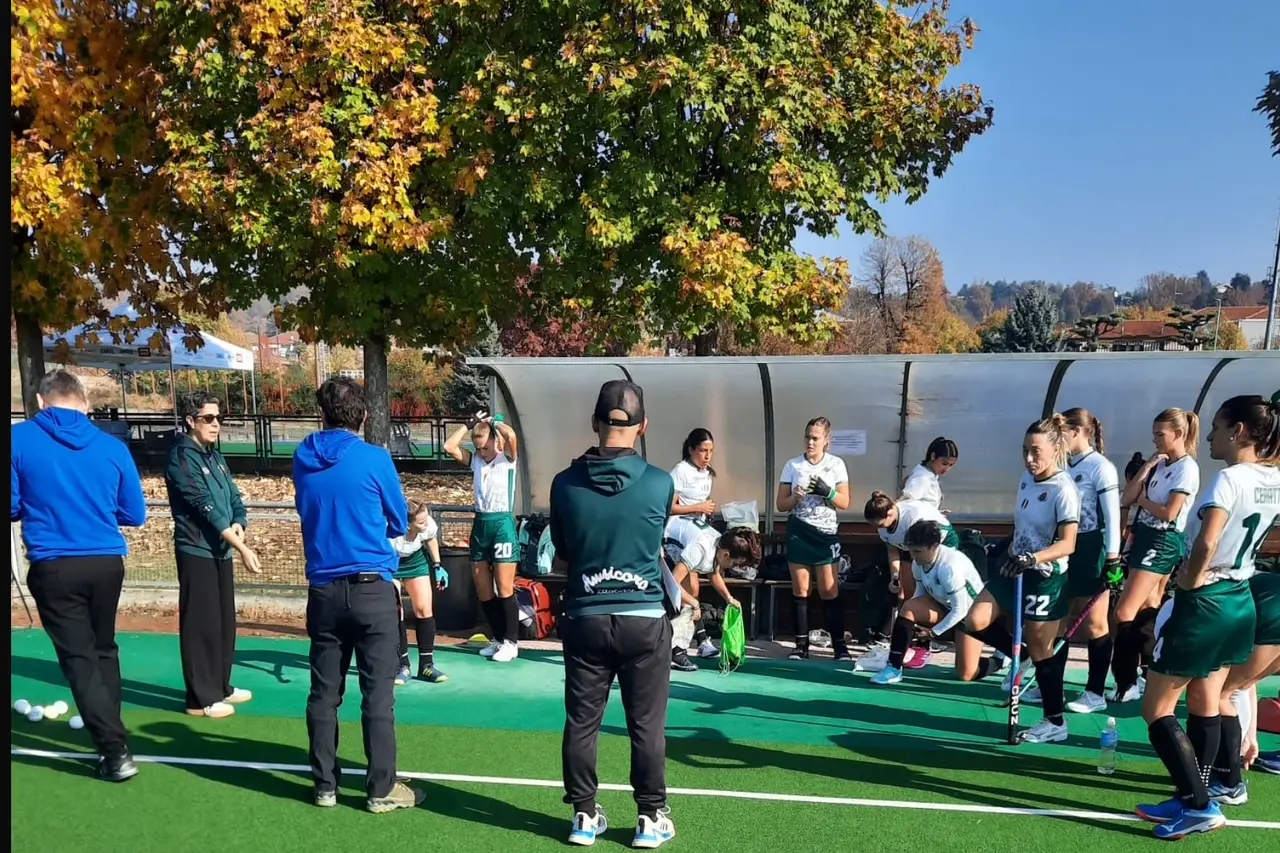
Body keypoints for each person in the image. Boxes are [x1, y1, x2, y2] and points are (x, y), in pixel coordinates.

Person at [1135, 394, 1280, 839]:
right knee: (1206, 699)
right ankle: (1197, 793)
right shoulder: (1272, 479)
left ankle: (1199, 804)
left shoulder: (1229, 479)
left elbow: (1206, 543)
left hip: (1208, 598)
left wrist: (1188, 583)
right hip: (1240, 598)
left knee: (1156, 707)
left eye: (1217, 427)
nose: (1211, 436)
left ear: (1238, 431)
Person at [550, 379, 677, 849]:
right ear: (643, 427)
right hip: (643, 618)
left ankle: (584, 815)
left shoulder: (564, 484)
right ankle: (650, 816)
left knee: (581, 720)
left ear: (594, 423)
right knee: (646, 724)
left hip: (585, 614)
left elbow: (563, 550)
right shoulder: (662, 482)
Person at [293, 377, 422, 813]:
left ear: (323, 413)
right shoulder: (374, 458)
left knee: (324, 694)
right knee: (378, 695)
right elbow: (398, 519)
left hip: (324, 591)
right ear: (363, 415)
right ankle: (380, 789)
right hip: (371, 590)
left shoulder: (303, 457)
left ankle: (324, 785)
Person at [11, 369, 148, 782]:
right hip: (106, 563)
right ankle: (111, 736)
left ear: (40, 401)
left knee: (79, 658)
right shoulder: (112, 446)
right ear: (84, 402)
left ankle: (114, 748)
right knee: (103, 648)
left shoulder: (19, 440)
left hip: (55, 563)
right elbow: (134, 513)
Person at [965, 414, 1080, 745]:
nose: (1029, 459)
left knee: (1044, 650)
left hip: (1044, 576)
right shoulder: (1026, 479)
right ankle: (1021, 654)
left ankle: (1055, 720)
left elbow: (1068, 543)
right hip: (1013, 566)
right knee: (975, 619)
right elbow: (1022, 526)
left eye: (1036, 451)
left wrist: (1033, 558)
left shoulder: (1064, 489)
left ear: (1056, 449)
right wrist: (1009, 550)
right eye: (1025, 451)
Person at [164, 390, 262, 719]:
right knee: (201, 624)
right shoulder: (182, 455)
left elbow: (232, 498)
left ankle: (221, 686)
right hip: (197, 550)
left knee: (223, 622)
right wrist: (242, 547)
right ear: (191, 421)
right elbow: (203, 506)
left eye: (218, 418)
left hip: (221, 550)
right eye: (208, 418)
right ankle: (199, 698)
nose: (215, 424)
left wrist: (240, 523)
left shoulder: (214, 456)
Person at [1112, 409, 1201, 705]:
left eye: (1160, 435)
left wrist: (1143, 501)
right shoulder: (1162, 464)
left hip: (1162, 540)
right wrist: (1149, 466)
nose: (1156, 440)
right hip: (1147, 538)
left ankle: (1126, 680)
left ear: (1179, 434)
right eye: (1154, 435)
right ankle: (1152, 670)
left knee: (1124, 612)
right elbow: (1126, 498)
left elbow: (1169, 512)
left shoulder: (1187, 468)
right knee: (1150, 609)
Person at [1054, 407, 1123, 715]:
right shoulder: (1064, 464)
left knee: (1095, 622)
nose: (1059, 440)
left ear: (1078, 432)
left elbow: (1112, 515)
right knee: (1058, 617)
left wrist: (1113, 559)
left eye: (1063, 433)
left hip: (1093, 547)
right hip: (1067, 546)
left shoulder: (1100, 467)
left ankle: (1095, 691)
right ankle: (1050, 684)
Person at [870, 520, 990, 686]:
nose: (913, 556)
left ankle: (1000, 660)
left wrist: (932, 633)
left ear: (934, 546)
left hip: (970, 614)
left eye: (918, 551)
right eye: (911, 551)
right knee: (909, 608)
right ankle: (893, 668)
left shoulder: (949, 568)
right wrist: (913, 623)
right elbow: (921, 593)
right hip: (945, 607)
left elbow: (960, 610)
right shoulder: (918, 562)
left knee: (966, 674)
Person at [443, 411, 522, 662]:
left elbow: (510, 434)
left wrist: (492, 422)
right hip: (481, 522)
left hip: (502, 523)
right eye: (477, 448)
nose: (481, 452)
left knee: (504, 587)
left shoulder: (507, 458)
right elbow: (449, 446)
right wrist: (469, 423)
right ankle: (498, 639)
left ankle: (511, 641)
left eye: (485, 447)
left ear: (495, 443)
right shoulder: (475, 460)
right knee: (484, 590)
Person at [777, 417, 852, 661]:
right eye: (808, 436)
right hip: (800, 529)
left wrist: (827, 492)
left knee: (829, 589)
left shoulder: (836, 465)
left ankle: (839, 646)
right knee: (801, 589)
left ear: (826, 441)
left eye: (815, 438)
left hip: (826, 532)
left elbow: (844, 502)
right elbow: (781, 504)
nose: (810, 442)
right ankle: (801, 645)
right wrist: (796, 497)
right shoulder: (793, 465)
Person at [860, 491, 959, 670]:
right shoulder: (885, 526)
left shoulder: (914, 518)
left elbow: (928, 548)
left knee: (931, 597)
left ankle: (927, 642)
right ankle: (913, 644)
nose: (879, 528)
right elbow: (892, 549)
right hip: (914, 550)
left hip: (939, 547)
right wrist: (895, 577)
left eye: (880, 523)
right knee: (908, 596)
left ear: (890, 514)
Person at [665, 525, 762, 672]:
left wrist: (729, 598)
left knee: (690, 595)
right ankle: (676, 652)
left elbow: (713, 573)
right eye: (735, 564)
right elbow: (672, 582)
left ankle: (676, 648)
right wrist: (694, 604)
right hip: (661, 545)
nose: (734, 567)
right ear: (726, 555)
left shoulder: (719, 544)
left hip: (678, 549)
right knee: (687, 602)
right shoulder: (700, 549)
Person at [664, 428, 718, 659]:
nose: (707, 456)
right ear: (691, 450)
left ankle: (694, 639)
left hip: (697, 535)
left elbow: (701, 504)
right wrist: (697, 508)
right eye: (703, 451)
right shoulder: (681, 470)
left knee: (693, 588)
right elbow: (670, 507)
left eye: (711, 451)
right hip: (677, 536)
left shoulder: (707, 474)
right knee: (688, 588)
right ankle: (688, 641)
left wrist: (706, 512)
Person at [389, 497, 449, 685]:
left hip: (416, 561)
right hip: (390, 562)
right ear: (406, 524)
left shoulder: (426, 524)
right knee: (395, 612)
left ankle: (426, 666)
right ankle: (402, 665)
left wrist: (438, 565)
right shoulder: (391, 533)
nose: (426, 523)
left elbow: (430, 538)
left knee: (424, 610)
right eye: (420, 522)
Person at [899, 437, 959, 509]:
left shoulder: (930, 475)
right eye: (944, 464)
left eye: (951, 465)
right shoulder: (922, 478)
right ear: (933, 456)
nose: (947, 469)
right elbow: (902, 503)